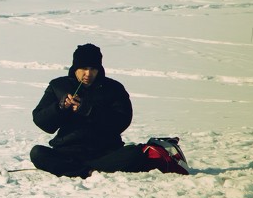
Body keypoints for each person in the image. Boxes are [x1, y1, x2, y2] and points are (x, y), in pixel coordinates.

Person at [30, 43, 186, 178]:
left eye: (93, 69)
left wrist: (89, 110)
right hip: (68, 153)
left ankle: (82, 171)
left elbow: (122, 121)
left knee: (135, 154)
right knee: (37, 153)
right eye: (84, 68)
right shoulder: (58, 86)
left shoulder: (113, 88)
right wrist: (60, 108)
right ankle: (88, 171)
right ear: (75, 68)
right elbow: (41, 121)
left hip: (104, 153)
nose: (88, 74)